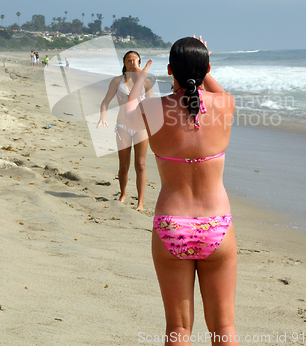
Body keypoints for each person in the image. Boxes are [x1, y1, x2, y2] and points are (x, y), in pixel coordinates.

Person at [124, 37, 237, 346]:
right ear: (208, 68)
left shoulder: (152, 110)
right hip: (217, 225)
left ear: (170, 70)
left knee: (178, 329)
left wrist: (140, 77)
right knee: (224, 329)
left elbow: (128, 110)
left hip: (171, 225)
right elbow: (212, 90)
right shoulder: (225, 104)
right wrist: (202, 66)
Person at [96, 51, 153, 210]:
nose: (133, 64)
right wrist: (103, 116)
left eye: (135, 61)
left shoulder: (146, 82)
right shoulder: (117, 81)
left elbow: (151, 105)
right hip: (122, 127)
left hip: (140, 127)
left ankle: (140, 202)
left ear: (140, 63)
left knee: (140, 164)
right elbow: (105, 101)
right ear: (124, 63)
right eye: (129, 61)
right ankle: (123, 194)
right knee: (123, 165)